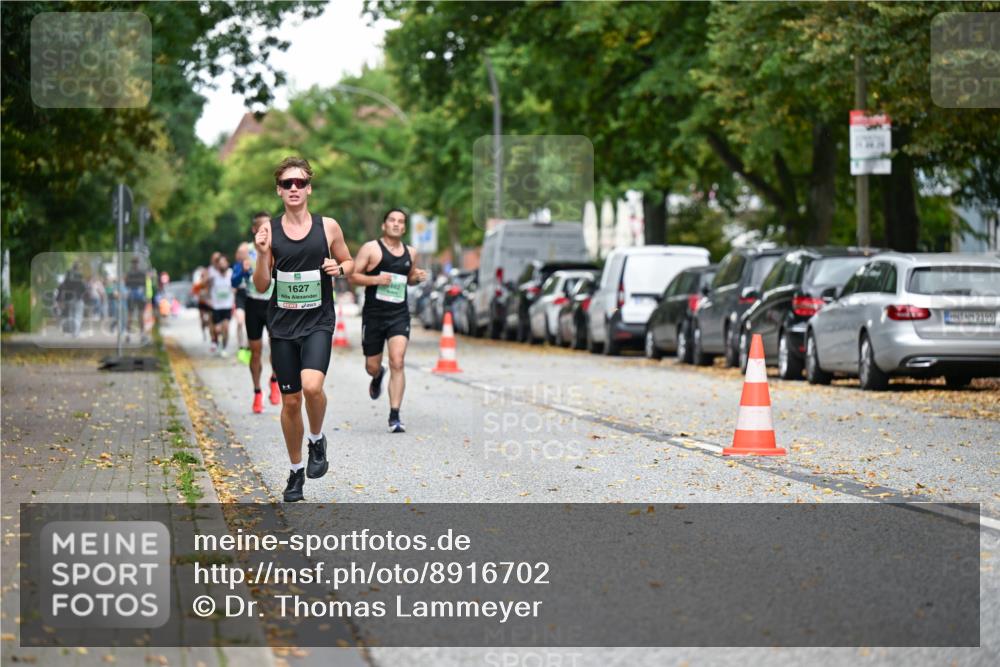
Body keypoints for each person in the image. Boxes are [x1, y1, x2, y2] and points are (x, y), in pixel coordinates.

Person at [252, 156, 354, 502]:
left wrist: (339, 268)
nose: (294, 188)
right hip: (282, 325)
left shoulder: (328, 227)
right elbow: (262, 285)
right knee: (291, 401)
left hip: (318, 321)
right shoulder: (269, 231)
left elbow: (349, 260)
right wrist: (262, 254)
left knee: (312, 387)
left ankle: (317, 439)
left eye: (300, 183)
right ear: (278, 191)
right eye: (287, 184)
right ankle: (296, 471)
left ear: (309, 188)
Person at [349, 208, 427, 433]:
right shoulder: (371, 248)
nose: (396, 224)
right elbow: (353, 276)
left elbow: (408, 279)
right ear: (384, 225)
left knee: (398, 361)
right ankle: (377, 375)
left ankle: (395, 415)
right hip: (374, 315)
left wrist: (417, 278)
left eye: (401, 221)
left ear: (404, 228)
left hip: (399, 314)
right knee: (371, 366)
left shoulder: (411, 252)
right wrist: (376, 280)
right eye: (392, 220)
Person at [233, 212, 281, 413]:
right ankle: (257, 392)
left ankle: (274, 380)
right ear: (254, 230)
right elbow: (234, 282)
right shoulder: (245, 250)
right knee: (256, 352)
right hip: (253, 304)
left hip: (273, 303)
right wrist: (242, 271)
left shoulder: (278, 247)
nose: (266, 231)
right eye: (262, 228)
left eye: (269, 227)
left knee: (278, 348)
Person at [208, 254, 234, 357]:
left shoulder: (231, 274)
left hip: (227, 306)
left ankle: (224, 347)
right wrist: (208, 299)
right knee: (217, 329)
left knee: (226, 328)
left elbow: (236, 286)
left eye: (224, 263)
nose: (222, 265)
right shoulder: (213, 275)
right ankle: (216, 341)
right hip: (216, 306)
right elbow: (207, 287)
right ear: (217, 265)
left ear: (227, 263)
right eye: (220, 263)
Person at [232, 242, 251, 362]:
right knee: (240, 321)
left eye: (244, 252)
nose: (242, 254)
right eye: (240, 252)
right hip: (240, 295)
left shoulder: (254, 263)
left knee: (250, 323)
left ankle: (248, 347)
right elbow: (234, 282)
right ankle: (240, 346)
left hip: (251, 295)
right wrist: (243, 271)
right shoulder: (237, 266)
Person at [125, 257, 147, 340]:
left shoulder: (129, 273)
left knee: (132, 315)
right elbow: (144, 284)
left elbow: (126, 284)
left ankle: (129, 335)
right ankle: (140, 334)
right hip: (138, 294)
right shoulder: (141, 273)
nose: (135, 264)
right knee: (137, 315)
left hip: (133, 294)